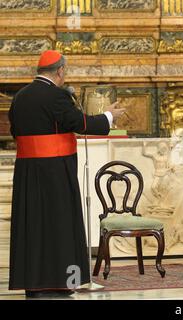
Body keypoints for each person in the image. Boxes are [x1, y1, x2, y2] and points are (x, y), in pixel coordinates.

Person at [8, 50, 126, 298]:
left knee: (34, 225)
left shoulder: (19, 97)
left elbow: (15, 131)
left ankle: (34, 284)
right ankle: (61, 282)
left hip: (27, 171)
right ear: (60, 71)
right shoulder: (57, 96)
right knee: (59, 224)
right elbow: (79, 123)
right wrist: (108, 116)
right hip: (55, 170)